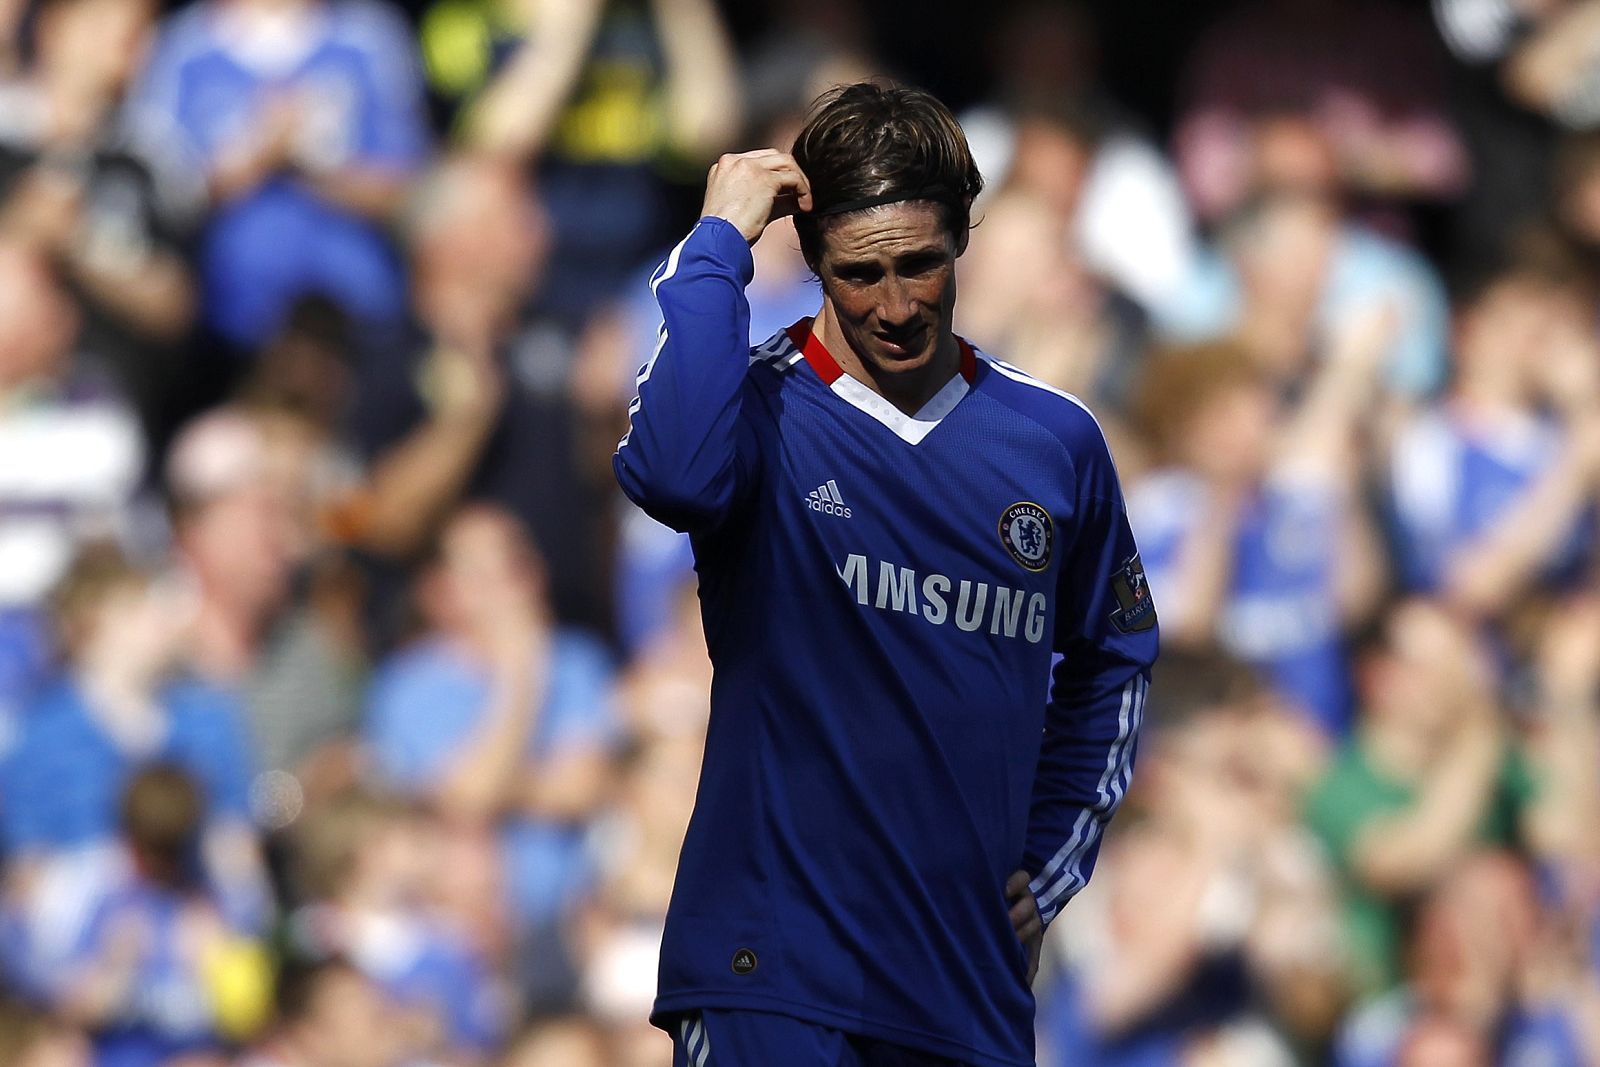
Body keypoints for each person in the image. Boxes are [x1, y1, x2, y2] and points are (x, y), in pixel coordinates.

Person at [613, 82, 1159, 1067]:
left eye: (921, 264)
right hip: (771, 978)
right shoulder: (758, 413)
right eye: (861, 273)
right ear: (815, 260)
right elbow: (670, 473)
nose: (898, 305)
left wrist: (1050, 857)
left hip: (963, 990)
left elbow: (1113, 656)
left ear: (962, 243)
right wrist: (716, 248)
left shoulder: (1053, 442)